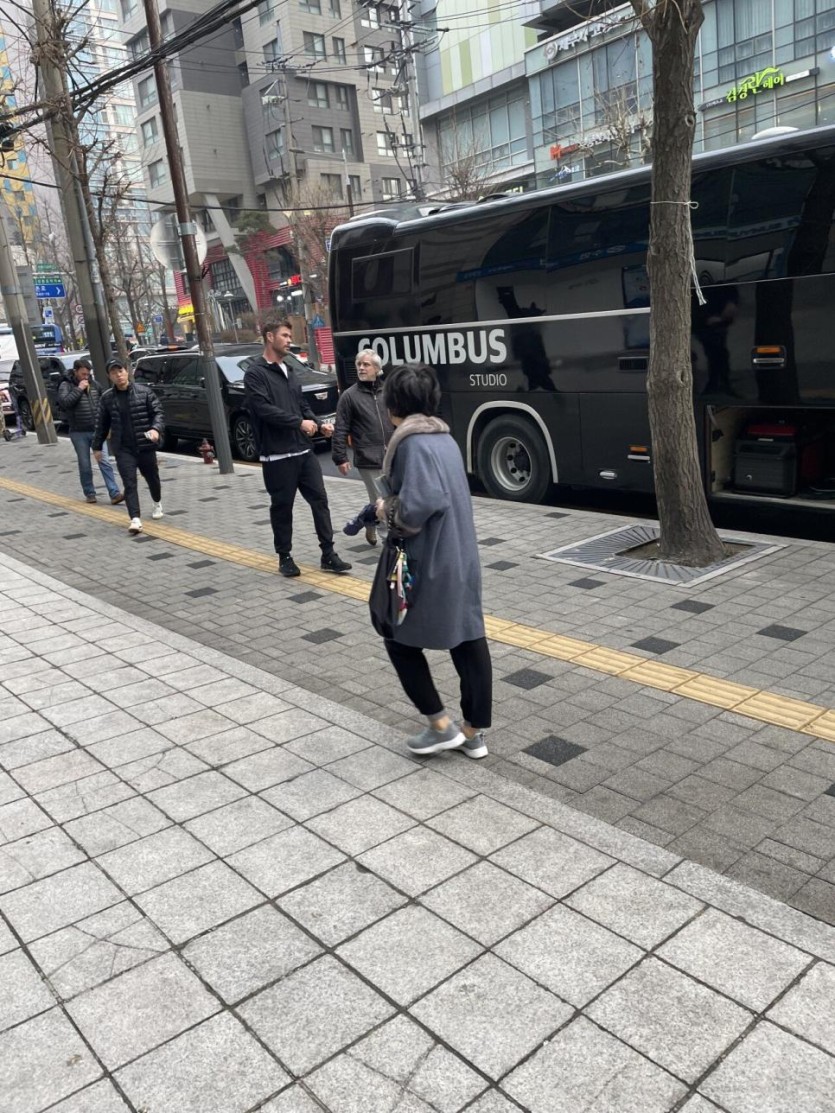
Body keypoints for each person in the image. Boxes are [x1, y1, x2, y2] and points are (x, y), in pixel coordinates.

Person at [375, 363, 491, 759]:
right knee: (468, 637)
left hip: (429, 561)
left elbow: (419, 505)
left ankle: (440, 726)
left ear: (393, 403)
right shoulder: (444, 438)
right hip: (461, 554)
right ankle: (473, 733)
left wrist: (385, 509)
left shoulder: (411, 444)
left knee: (397, 638)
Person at [244, 318, 351, 578]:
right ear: (270, 337)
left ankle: (328, 554)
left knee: (320, 501)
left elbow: (301, 405)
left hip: (303, 451)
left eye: (290, 336)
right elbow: (264, 409)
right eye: (285, 335)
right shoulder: (255, 374)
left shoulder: (289, 371)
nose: (289, 340)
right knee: (282, 507)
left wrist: (318, 424)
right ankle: (285, 557)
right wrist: (299, 423)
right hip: (277, 454)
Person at [92, 358, 164, 535]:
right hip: (123, 448)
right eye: (114, 372)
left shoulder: (144, 392)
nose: (118, 375)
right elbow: (101, 424)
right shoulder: (107, 398)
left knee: (152, 478)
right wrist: (97, 447)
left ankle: (157, 502)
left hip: (145, 445)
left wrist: (155, 429)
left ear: (127, 372)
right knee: (129, 482)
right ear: (109, 376)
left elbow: (158, 413)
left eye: (120, 371)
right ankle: (135, 519)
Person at [331, 348, 394, 545]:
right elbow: (341, 427)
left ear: (377, 368)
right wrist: (340, 457)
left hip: (391, 456)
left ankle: (368, 520)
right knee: (380, 499)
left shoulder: (388, 392)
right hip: (368, 457)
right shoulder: (349, 396)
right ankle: (388, 543)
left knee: (391, 498)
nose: (361, 368)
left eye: (366, 364)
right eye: (359, 364)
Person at [58, 357, 124, 505]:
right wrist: (79, 389)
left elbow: (105, 403)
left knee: (104, 461)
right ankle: (90, 493)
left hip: (96, 430)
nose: (86, 377)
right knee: (85, 464)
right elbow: (64, 403)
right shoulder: (66, 385)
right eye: (83, 374)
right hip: (78, 432)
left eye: (88, 374)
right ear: (75, 371)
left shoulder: (95, 385)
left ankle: (114, 493)